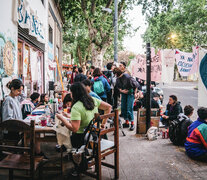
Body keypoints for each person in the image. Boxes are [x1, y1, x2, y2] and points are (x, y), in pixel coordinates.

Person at [56, 82, 112, 148]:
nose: (70, 94)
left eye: (71, 92)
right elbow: (108, 107)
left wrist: (61, 118)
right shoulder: (93, 100)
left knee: (65, 140)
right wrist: (103, 123)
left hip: (83, 139)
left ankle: (75, 155)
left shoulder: (76, 107)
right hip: (95, 136)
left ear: (74, 93)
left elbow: (74, 129)